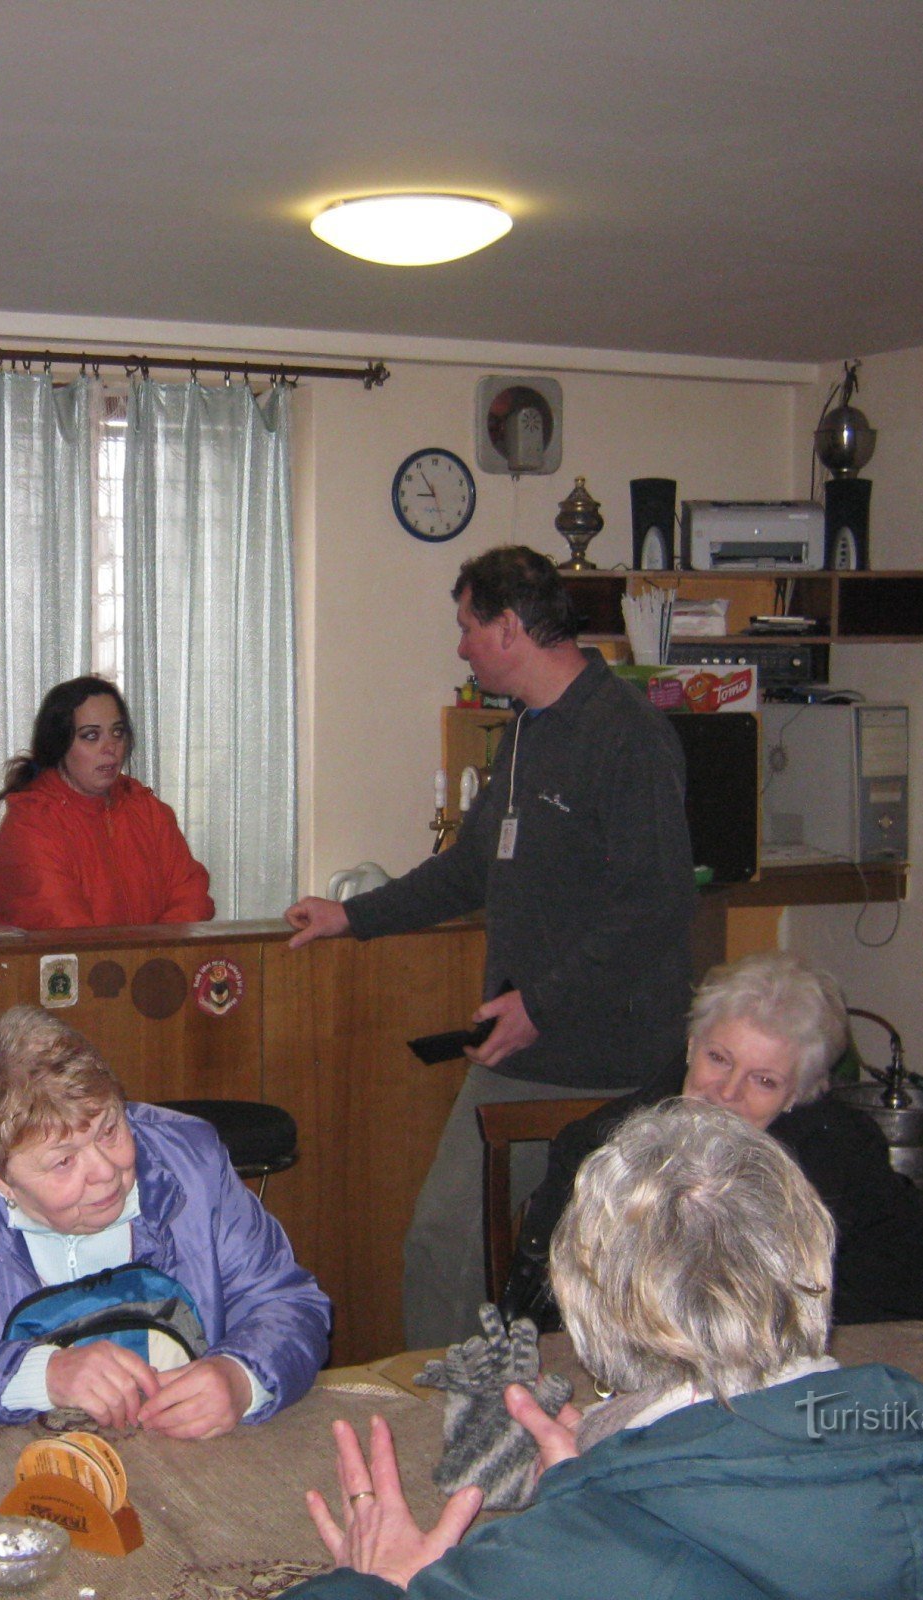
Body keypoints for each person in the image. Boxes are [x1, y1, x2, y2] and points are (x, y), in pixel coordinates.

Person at [289, 1099, 923, 1600]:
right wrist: (598, 1482)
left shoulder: (562, 1567)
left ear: (584, 1315)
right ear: (813, 1259)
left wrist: (379, 1583)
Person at [284, 546, 696, 1348]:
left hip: (610, 1068)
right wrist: (352, 917)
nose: (461, 646)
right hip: (522, 1055)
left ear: (508, 628)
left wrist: (539, 1003)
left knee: (599, 1279)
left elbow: (653, 903)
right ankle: (446, 1416)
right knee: (445, 1247)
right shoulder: (523, 736)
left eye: (468, 626)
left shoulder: (626, 736)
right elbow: (468, 869)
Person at [0, 1005, 329, 1433]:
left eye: (110, 1129)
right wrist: (38, 1376)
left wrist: (241, 1377)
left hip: (188, 1471)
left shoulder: (189, 1159)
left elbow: (288, 1302)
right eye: (63, 1161)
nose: (107, 1172)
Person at [503, 950, 923, 1327]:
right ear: (690, 1045)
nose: (727, 1092)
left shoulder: (835, 1148)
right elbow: (550, 1307)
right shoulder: (599, 1147)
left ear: (797, 1095)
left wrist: (767, 1307)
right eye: (719, 1058)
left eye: (764, 1080)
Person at [0, 674, 215, 929]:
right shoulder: (30, 825)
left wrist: (155, 956)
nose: (111, 747)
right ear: (59, 745)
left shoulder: (149, 811)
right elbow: (64, 930)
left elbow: (191, 896)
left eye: (117, 732)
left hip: (150, 965)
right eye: (91, 736)